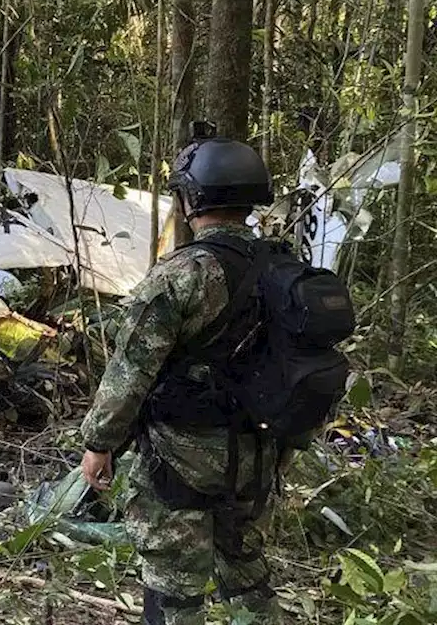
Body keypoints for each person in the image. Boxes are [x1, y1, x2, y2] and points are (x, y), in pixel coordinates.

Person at [78, 129, 283, 625]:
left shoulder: (183, 274)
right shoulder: (283, 267)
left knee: (174, 587)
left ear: (193, 198)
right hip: (258, 457)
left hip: (181, 460)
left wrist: (99, 442)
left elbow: (130, 370)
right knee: (247, 573)